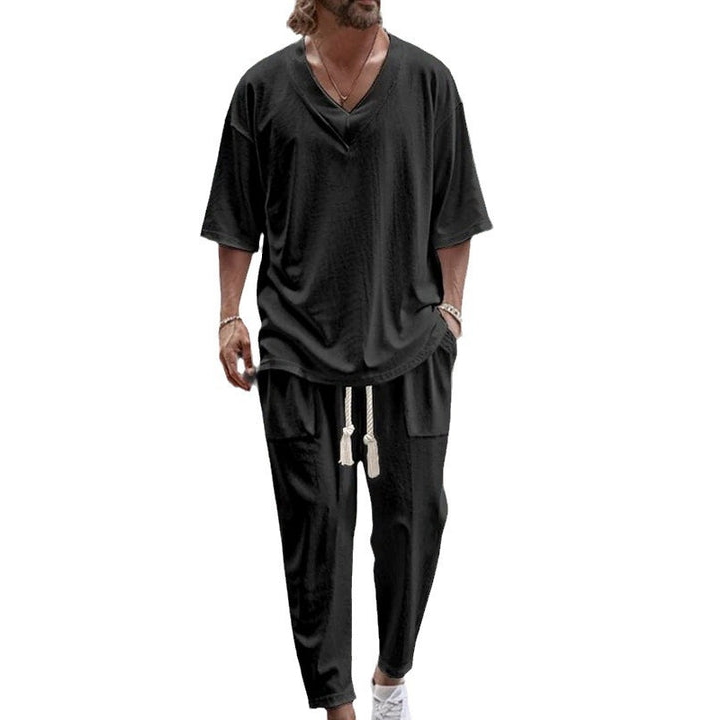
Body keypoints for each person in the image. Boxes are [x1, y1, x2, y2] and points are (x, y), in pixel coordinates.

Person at [199, 1, 492, 717]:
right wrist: (230, 315)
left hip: (410, 346)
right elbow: (237, 215)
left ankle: (392, 676)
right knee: (315, 542)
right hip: (299, 351)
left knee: (416, 523)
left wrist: (452, 313)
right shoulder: (261, 90)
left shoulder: (428, 82)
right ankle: (338, 708)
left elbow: (455, 208)